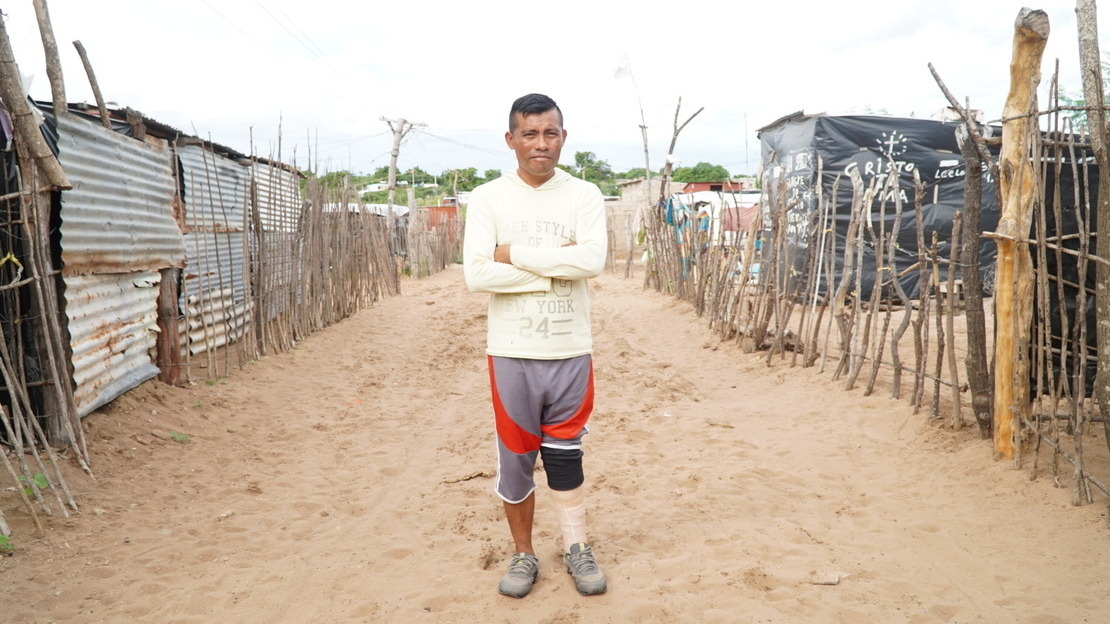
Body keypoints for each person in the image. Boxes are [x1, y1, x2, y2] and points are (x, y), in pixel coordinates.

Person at [463, 93, 609, 599]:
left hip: (570, 346)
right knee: (516, 457)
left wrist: (512, 254)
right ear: (511, 140)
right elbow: (477, 274)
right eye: (530, 134)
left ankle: (575, 546)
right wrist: (554, 269)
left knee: (566, 454)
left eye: (550, 133)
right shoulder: (489, 198)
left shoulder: (584, 194)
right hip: (511, 349)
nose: (541, 143)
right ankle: (523, 553)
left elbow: (591, 262)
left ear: (563, 137)